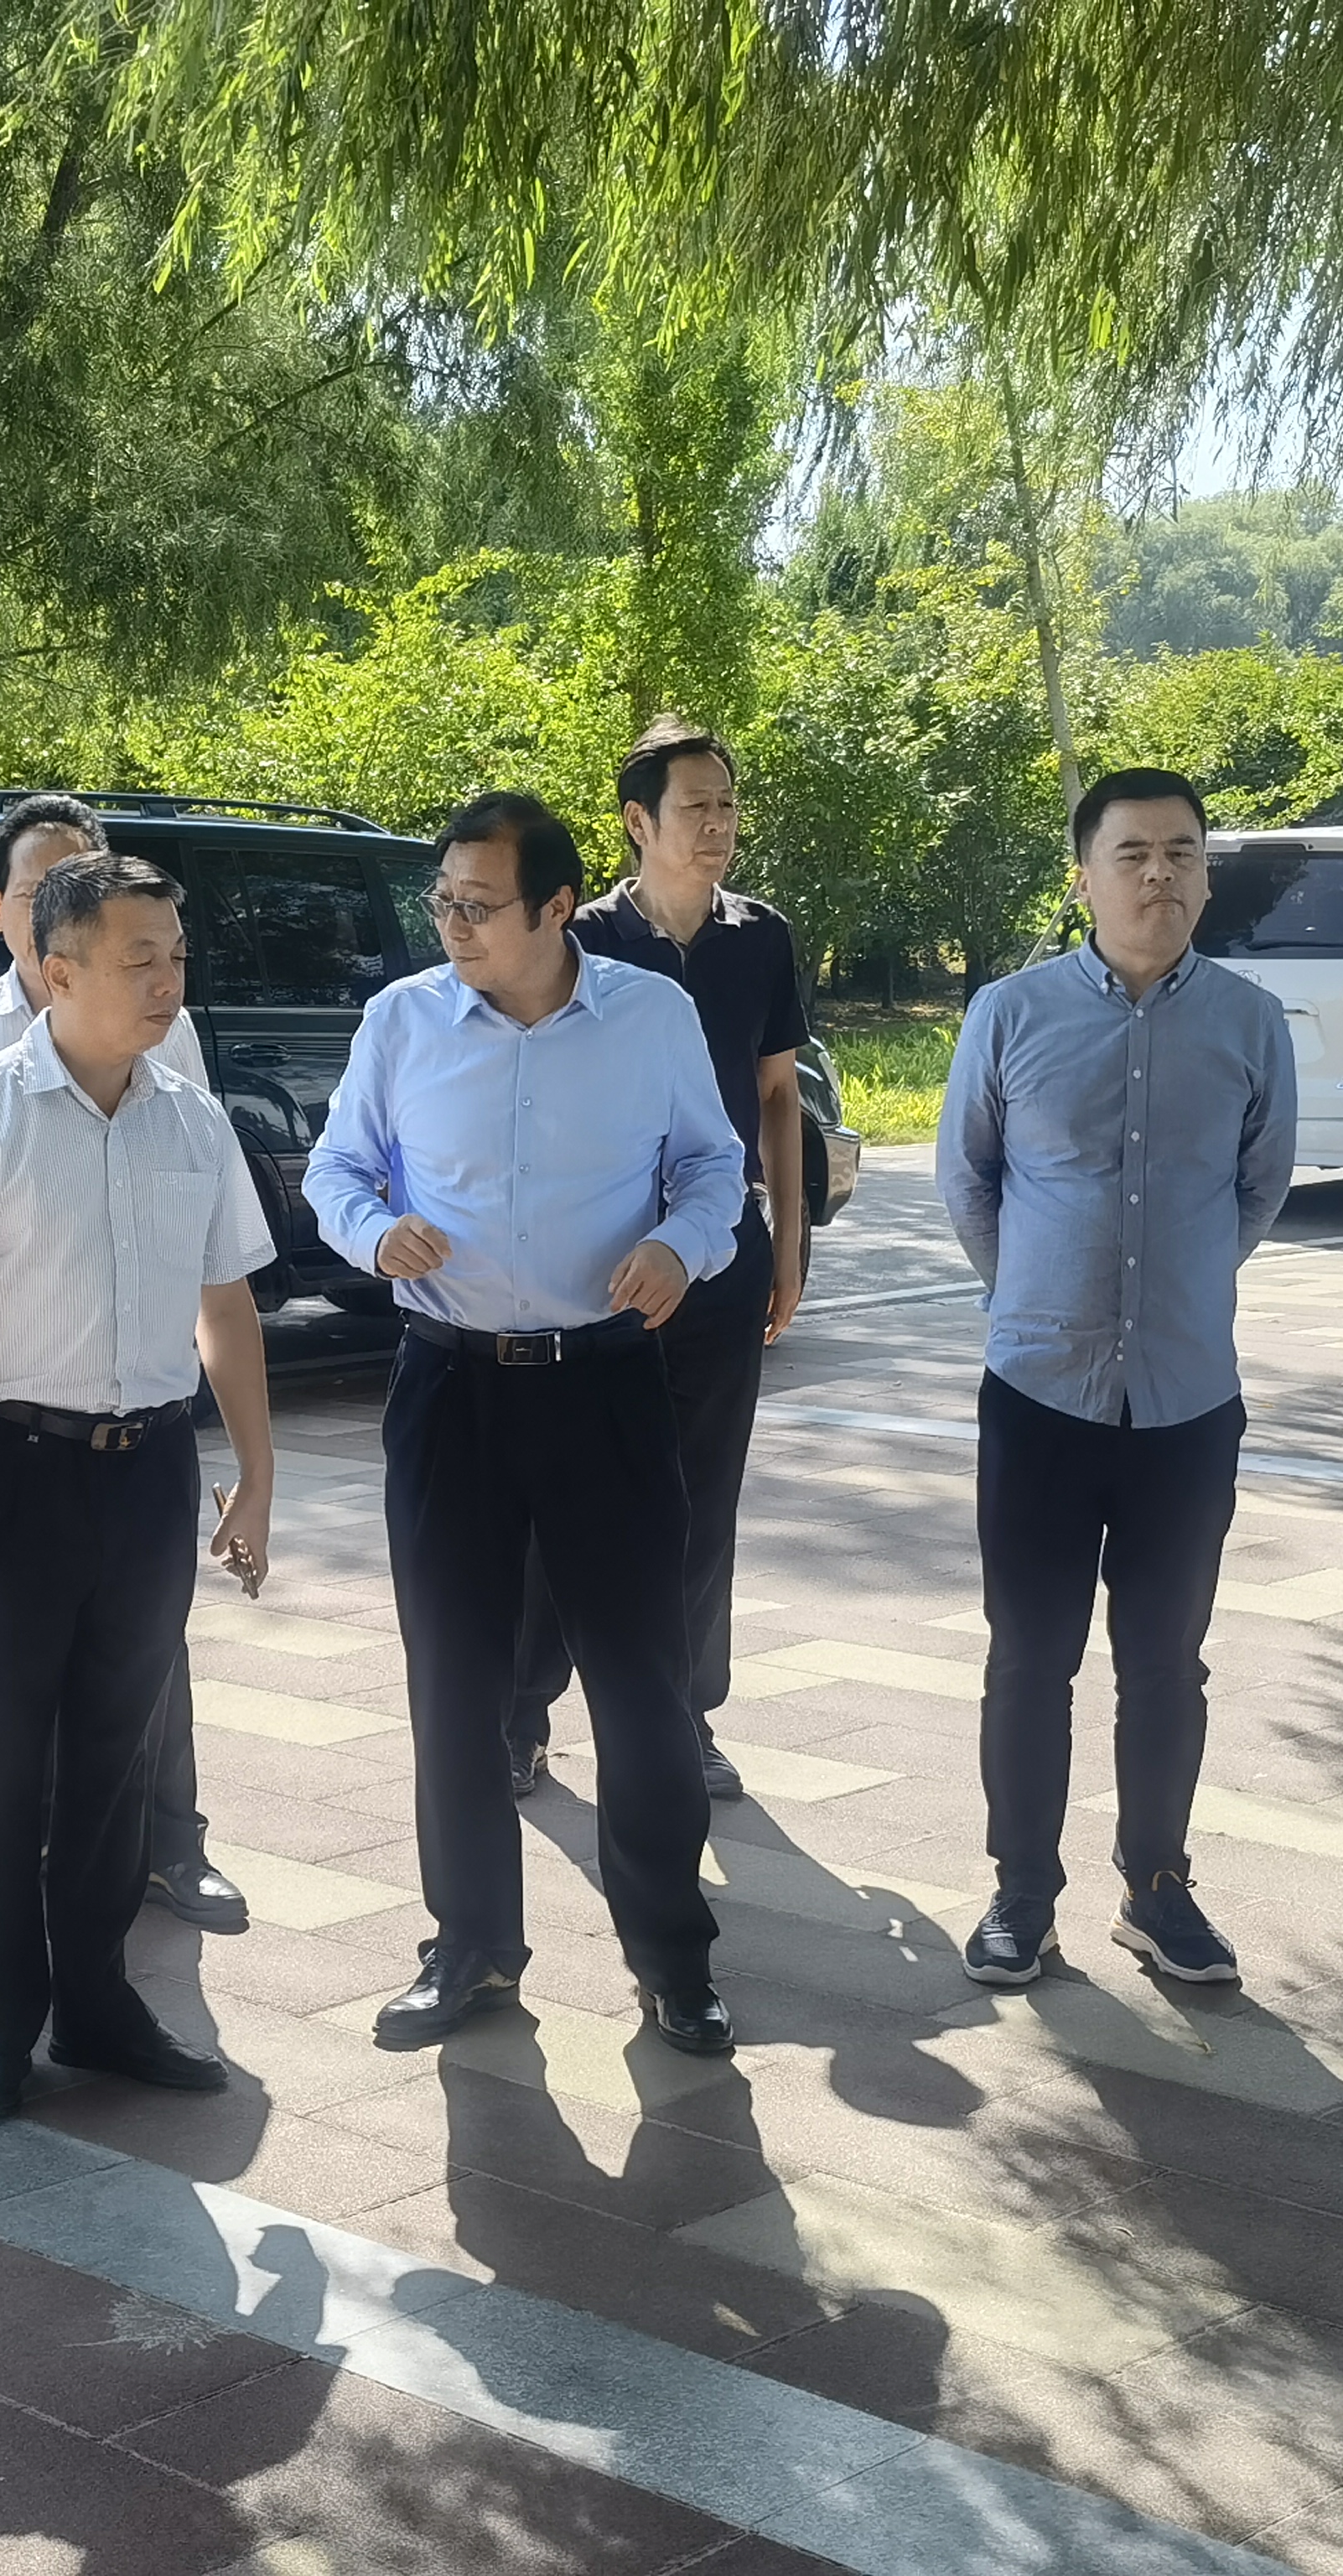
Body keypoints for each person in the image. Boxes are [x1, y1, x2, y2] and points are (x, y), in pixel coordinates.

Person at [307, 792, 748, 2057]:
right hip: (449, 1388)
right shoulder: (402, 1021)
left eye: (478, 905)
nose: (452, 924)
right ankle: (472, 1948)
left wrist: (680, 1247)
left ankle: (673, 1960)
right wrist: (372, 1233)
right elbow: (337, 1169)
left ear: (557, 906)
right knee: (454, 1684)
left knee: (641, 1686)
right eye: (442, 901)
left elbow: (714, 1168)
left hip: (604, 1383)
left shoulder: (649, 1016)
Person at [0, 852, 277, 2125]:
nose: (168, 981)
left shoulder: (192, 1121)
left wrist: (255, 1473)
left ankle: (99, 2003)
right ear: (57, 974)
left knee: (117, 1757)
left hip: (148, 1472)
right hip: (5, 1474)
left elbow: (227, 1306)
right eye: (138, 960)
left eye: (176, 956)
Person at [938, 766, 1295, 1992]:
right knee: (1029, 1657)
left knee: (1165, 1662)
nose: (1159, 875)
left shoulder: (1250, 1022)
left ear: (1205, 874)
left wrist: (1171, 1295)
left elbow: (1258, 1188)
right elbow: (969, 1180)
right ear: (1085, 875)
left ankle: (1156, 1889)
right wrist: (1038, 1296)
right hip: (1039, 1394)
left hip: (1186, 1402)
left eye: (1182, 853)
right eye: (1133, 853)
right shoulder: (1010, 1013)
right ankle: (1021, 1894)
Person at [506, 719, 811, 1807]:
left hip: (720, 1258)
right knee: (568, 1498)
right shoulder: (577, 940)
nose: (718, 824)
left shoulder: (760, 937)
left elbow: (777, 1096)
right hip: (599, 1271)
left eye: (727, 804)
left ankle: (684, 1715)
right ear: (638, 822)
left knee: (701, 1499)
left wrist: (789, 1242)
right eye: (696, 806)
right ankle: (518, 1716)